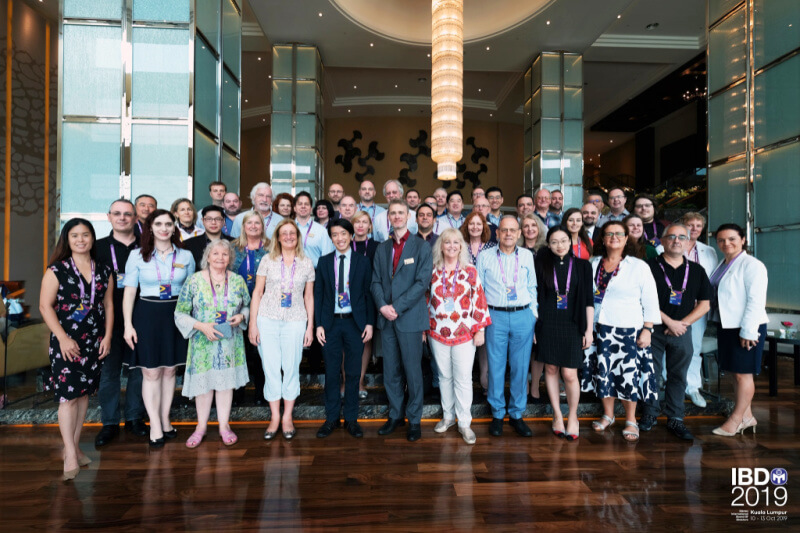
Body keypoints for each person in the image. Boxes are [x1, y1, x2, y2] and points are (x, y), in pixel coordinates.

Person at [39, 219, 114, 480]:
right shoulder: (57, 270)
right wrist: (62, 338)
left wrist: (107, 336)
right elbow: (45, 307)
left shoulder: (104, 270)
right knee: (68, 396)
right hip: (67, 342)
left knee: (83, 396)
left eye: (85, 235)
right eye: (74, 235)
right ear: (67, 240)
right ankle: (70, 452)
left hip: (94, 340)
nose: (81, 240)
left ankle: (77, 447)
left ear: (93, 238)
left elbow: (108, 305)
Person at [123, 209, 196, 447]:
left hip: (177, 315)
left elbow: (193, 290)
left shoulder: (185, 256)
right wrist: (127, 325)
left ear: (174, 228)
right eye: (159, 224)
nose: (164, 228)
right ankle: (154, 422)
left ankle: (165, 419)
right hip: (147, 314)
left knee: (170, 371)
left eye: (168, 224)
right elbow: (130, 292)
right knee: (151, 371)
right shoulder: (136, 256)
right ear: (150, 228)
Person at [581, 221, 660, 443]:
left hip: (628, 330)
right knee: (603, 374)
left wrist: (648, 329)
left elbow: (651, 301)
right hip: (599, 328)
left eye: (619, 234)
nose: (614, 237)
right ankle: (608, 415)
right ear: (603, 239)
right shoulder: (593, 263)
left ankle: (631, 419)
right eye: (609, 234)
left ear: (627, 239)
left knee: (628, 376)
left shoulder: (638, 266)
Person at [639, 224, 711, 440]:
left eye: (682, 237)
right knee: (650, 374)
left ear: (689, 242)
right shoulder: (648, 267)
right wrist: (669, 321)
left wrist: (682, 324)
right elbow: (642, 300)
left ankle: (675, 418)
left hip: (682, 330)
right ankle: (650, 414)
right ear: (662, 241)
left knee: (678, 375)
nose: (677, 240)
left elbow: (705, 304)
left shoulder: (697, 271)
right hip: (652, 329)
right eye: (671, 237)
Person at [175, 240, 250, 448]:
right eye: (215, 254)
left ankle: (224, 426)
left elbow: (248, 306)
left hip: (229, 342)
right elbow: (180, 312)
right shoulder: (194, 280)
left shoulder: (237, 281)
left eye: (225, 254)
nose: (220, 258)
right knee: (204, 386)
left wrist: (242, 317)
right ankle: (200, 427)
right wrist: (200, 325)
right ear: (207, 257)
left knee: (225, 386)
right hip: (202, 342)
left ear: (230, 259)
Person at [371, 199, 433, 442]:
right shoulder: (382, 248)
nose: (397, 217)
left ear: (409, 216)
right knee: (391, 371)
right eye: (393, 213)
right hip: (386, 319)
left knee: (412, 371)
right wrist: (383, 307)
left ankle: (414, 419)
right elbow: (375, 281)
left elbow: (422, 283)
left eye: (401, 213)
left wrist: (396, 307)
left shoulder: (421, 246)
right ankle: (395, 415)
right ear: (388, 217)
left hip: (409, 318)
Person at [249, 219, 315, 440]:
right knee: (270, 368)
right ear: (277, 237)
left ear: (298, 237)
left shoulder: (306, 262)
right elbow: (257, 292)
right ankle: (274, 417)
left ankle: (287, 417)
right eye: (284, 233)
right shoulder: (267, 260)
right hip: (267, 319)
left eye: (292, 233)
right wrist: (252, 324)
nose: (288, 237)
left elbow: (309, 296)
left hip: (295, 320)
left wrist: (310, 327)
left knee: (291, 367)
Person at [428, 228, 491, 444]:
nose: (452, 246)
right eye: (447, 242)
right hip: (437, 332)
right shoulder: (433, 270)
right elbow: (426, 300)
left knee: (463, 378)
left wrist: (480, 329)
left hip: (465, 333)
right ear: (441, 246)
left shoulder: (470, 271)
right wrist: (423, 329)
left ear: (461, 246)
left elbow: (479, 300)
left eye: (456, 242)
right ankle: (448, 417)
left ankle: (464, 422)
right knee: (444, 376)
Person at [314, 219, 375, 439]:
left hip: (354, 323)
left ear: (351, 236)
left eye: (343, 234)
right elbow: (318, 295)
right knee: (331, 373)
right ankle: (331, 418)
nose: (339, 238)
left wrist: (369, 323)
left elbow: (368, 294)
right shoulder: (323, 262)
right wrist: (319, 324)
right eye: (334, 235)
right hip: (330, 324)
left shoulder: (363, 262)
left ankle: (351, 419)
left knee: (352, 373)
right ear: (331, 238)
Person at [477, 216, 537, 438]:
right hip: (495, 316)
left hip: (523, 315)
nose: (509, 234)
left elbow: (532, 286)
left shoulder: (528, 256)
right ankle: (497, 413)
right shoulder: (485, 256)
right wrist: (481, 320)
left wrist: (533, 315)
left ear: (519, 233)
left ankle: (517, 414)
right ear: (498, 233)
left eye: (513, 230)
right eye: (504, 230)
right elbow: (479, 290)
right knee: (496, 366)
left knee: (521, 367)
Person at [95, 200, 146, 446]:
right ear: (109, 217)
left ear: (136, 218)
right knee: (109, 372)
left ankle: (135, 418)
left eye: (128, 214)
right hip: (109, 322)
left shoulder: (147, 246)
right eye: (117, 214)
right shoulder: (98, 248)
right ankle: (110, 423)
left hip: (141, 318)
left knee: (139, 371)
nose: (123, 218)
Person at [535, 227, 594, 441]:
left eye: (563, 241)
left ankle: (573, 415)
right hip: (547, 322)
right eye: (554, 242)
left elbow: (589, 300)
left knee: (569, 373)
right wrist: (534, 327)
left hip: (573, 323)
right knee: (550, 368)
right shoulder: (541, 264)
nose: (559, 245)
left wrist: (588, 330)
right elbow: (536, 296)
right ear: (548, 245)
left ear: (571, 242)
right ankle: (557, 414)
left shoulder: (583, 266)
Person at [709, 223, 768, 437]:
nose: (727, 243)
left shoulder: (752, 265)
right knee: (735, 375)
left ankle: (735, 420)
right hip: (727, 325)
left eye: (732, 239)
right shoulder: (722, 264)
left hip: (746, 327)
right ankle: (747, 415)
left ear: (743, 240)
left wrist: (749, 331)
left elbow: (756, 301)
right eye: (722, 240)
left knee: (744, 376)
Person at [680, 212, 719, 407]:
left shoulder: (709, 251)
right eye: (690, 224)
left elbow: (711, 280)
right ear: (682, 225)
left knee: (694, 348)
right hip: (672, 307)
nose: (694, 228)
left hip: (698, 308)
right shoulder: (667, 245)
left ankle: (692, 387)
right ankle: (668, 382)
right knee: (667, 347)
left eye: (698, 225)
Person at [231, 210, 270, 405]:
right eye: (249, 223)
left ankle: (261, 394)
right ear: (243, 226)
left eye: (257, 223)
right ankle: (237, 394)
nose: (253, 226)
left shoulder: (272, 247)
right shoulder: (233, 248)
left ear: (262, 226)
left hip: (265, 305)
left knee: (260, 352)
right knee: (239, 351)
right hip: (237, 306)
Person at [517, 213, 547, 401]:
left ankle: (535, 385)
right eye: (526, 226)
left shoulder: (546, 250)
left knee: (538, 347)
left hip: (543, 302)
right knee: (522, 346)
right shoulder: (516, 249)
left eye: (533, 226)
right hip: (522, 302)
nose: (530, 229)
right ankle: (524, 384)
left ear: (539, 229)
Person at [350, 209, 379, 397]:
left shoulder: (377, 246)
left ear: (370, 226)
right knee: (347, 343)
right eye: (356, 222)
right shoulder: (344, 243)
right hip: (346, 299)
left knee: (365, 340)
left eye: (364, 222)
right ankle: (347, 382)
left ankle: (359, 382)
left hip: (369, 297)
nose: (360, 225)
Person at [294, 191, 334, 267]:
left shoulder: (322, 231)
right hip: (289, 274)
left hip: (315, 273)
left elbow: (327, 259)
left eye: (306, 204)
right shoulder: (287, 229)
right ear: (295, 208)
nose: (303, 206)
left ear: (311, 209)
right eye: (300, 204)